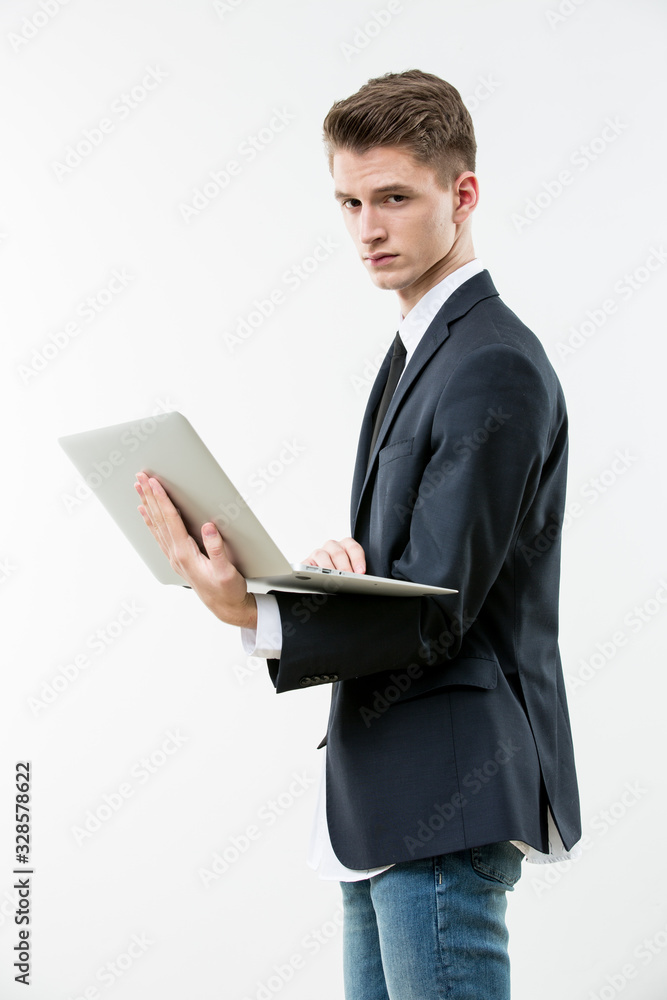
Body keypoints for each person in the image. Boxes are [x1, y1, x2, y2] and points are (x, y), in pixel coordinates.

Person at [135, 69, 581, 1000]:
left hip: (440, 798)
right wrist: (350, 572)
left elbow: (439, 610)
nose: (366, 230)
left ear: (461, 196)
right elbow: (420, 573)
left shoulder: (490, 361)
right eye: (347, 201)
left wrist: (252, 610)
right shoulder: (421, 348)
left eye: (393, 199)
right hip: (386, 802)